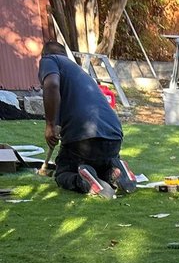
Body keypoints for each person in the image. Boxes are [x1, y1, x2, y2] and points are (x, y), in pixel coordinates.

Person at [38, 42, 137, 197]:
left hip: (84, 139)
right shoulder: (78, 71)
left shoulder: (49, 60)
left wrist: (50, 125)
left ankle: (84, 182)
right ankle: (115, 171)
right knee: (97, 167)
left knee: (63, 172)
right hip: (113, 137)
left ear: (44, 55)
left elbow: (51, 85)